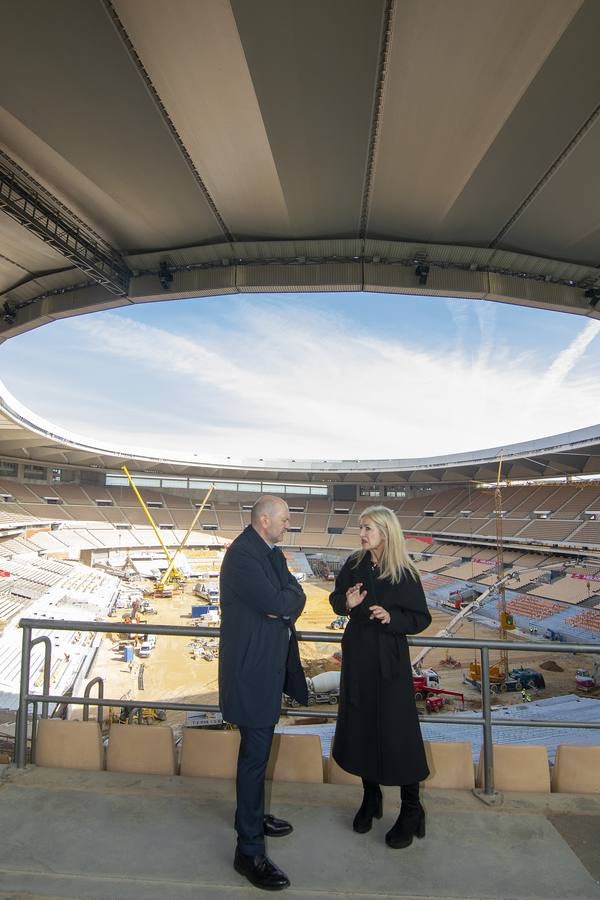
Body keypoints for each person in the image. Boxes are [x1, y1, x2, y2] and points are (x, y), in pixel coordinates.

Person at [329, 505, 432, 849]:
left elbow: (420, 618)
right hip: (358, 655)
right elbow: (335, 600)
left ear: (386, 531)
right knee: (362, 726)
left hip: (389, 661)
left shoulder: (403, 571)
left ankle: (411, 808)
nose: (362, 533)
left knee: (397, 731)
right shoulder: (355, 564)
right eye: (361, 527)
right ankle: (370, 798)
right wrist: (346, 601)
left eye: (368, 528)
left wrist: (392, 617)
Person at [219, 495, 308, 891]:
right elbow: (278, 600)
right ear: (264, 519)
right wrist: (284, 605)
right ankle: (248, 851)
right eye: (285, 520)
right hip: (251, 672)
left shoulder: (269, 551)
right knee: (255, 757)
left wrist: (285, 605)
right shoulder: (243, 555)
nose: (288, 525)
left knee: (256, 753)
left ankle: (248, 818)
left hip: (264, 669)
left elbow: (294, 596)